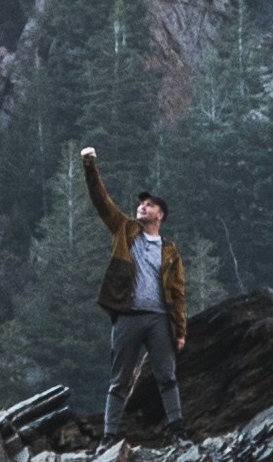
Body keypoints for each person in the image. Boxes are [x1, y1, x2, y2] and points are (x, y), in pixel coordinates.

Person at [73, 144, 189, 437]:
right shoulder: (124, 229)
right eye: (141, 204)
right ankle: (109, 436)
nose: (142, 207)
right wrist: (89, 165)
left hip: (159, 320)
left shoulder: (170, 251)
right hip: (127, 316)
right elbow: (101, 200)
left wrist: (181, 330)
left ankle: (178, 430)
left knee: (167, 377)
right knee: (119, 380)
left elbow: (177, 293)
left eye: (149, 205)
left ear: (160, 214)